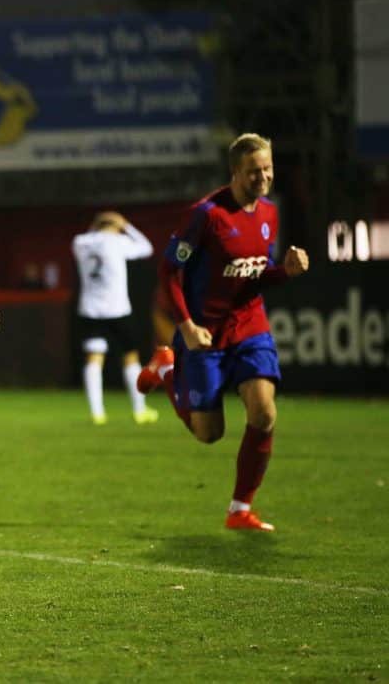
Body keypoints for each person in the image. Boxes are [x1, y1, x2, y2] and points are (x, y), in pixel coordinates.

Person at [136, 133, 309, 532]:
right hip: (204, 333)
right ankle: (166, 369)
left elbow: (254, 277)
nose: (263, 177)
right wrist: (187, 327)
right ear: (235, 173)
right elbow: (169, 271)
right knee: (208, 434)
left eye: (267, 169)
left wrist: (286, 272)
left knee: (264, 412)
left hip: (249, 325)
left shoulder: (269, 213)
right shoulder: (206, 215)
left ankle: (239, 509)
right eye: (254, 172)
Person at [71, 210, 158, 425]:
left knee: (94, 359)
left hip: (90, 310)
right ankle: (139, 410)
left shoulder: (81, 241)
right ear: (117, 226)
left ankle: (97, 412)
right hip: (117, 309)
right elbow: (147, 248)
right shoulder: (119, 241)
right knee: (130, 358)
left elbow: (93, 235)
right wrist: (127, 226)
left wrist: (98, 225)